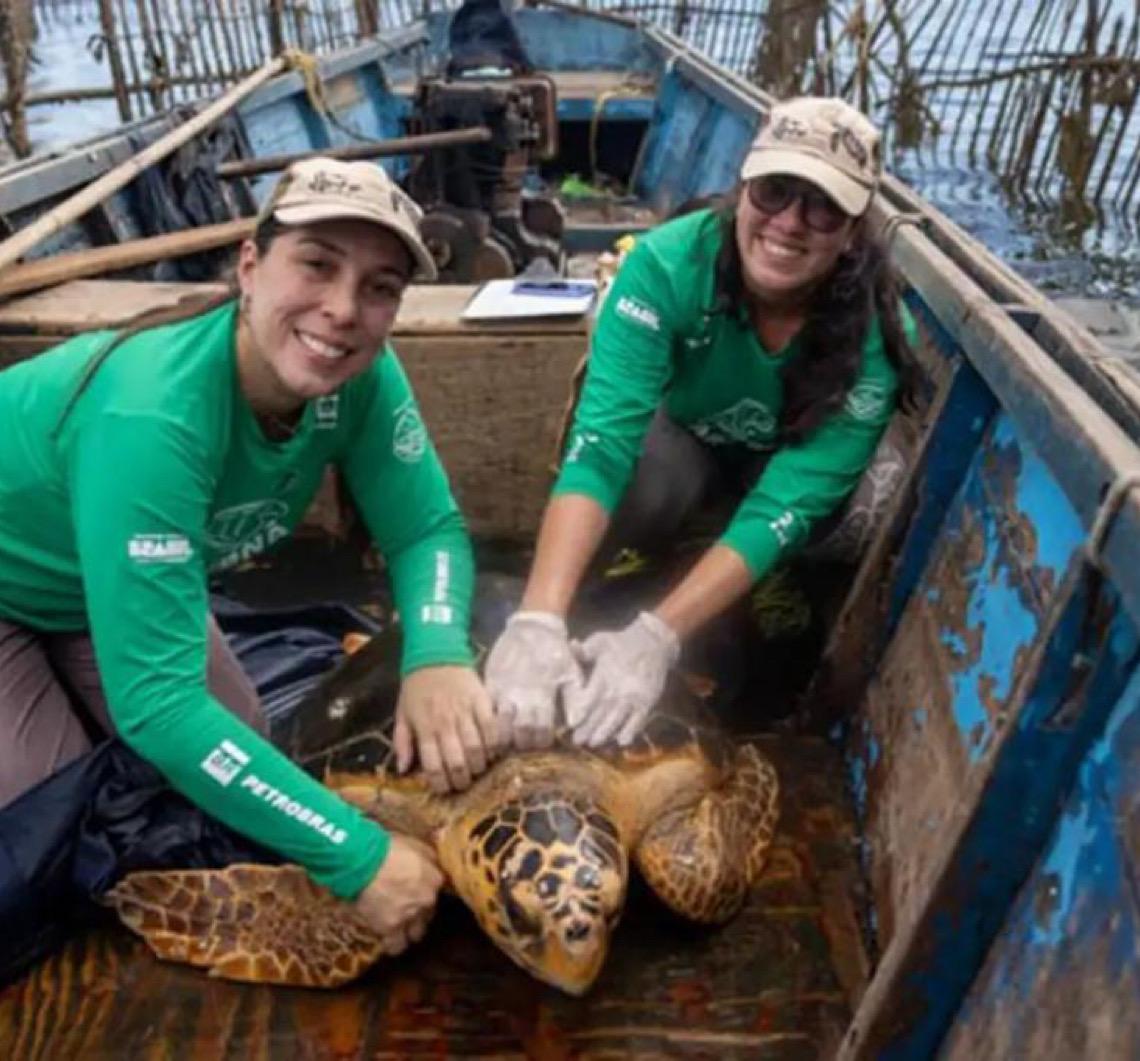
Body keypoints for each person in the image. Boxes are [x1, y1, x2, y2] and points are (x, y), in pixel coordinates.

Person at [0, 157, 500, 954]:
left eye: (379, 288)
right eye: (316, 265)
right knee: (60, 829)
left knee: (240, 742)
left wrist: (437, 649)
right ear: (248, 266)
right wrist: (356, 853)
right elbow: (160, 706)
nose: (342, 311)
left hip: (99, 589)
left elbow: (426, 527)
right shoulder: (155, 415)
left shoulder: (358, 377)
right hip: (11, 588)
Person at [486, 96, 916, 750]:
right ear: (743, 190)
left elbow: (788, 501)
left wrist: (658, 635)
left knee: (872, 497)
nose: (790, 223)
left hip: (775, 472)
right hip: (681, 446)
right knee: (642, 469)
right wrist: (540, 616)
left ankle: (757, 584)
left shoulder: (877, 340)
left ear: (854, 230)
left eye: (823, 207)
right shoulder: (663, 265)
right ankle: (575, 597)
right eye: (775, 192)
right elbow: (600, 446)